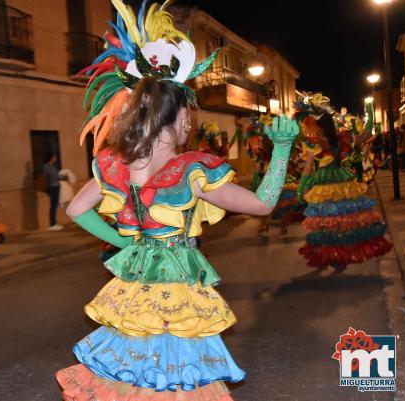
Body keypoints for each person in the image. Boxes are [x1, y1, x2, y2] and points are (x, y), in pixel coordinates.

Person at [55, 2, 299, 399]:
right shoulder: (191, 170)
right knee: (176, 378)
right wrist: (283, 149)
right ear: (179, 115)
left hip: (133, 288)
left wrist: (124, 243)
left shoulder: (114, 164)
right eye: (190, 115)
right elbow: (263, 204)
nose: (192, 123)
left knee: (131, 375)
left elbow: (75, 209)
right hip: (177, 290)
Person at [295, 94, 392, 272]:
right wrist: (370, 115)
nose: (307, 129)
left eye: (309, 125)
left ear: (316, 125)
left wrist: (301, 188)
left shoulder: (315, 143)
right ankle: (340, 255)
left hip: (324, 187)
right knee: (341, 223)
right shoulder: (342, 139)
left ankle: (333, 255)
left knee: (327, 224)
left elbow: (307, 169)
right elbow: (366, 134)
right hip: (342, 183)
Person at [42, 153, 66, 231]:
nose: (55, 159)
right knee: (53, 206)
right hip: (53, 187)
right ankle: (52, 224)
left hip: (54, 187)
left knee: (54, 206)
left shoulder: (50, 166)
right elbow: (55, 176)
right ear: (51, 158)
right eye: (54, 157)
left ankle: (54, 223)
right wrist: (64, 177)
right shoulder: (48, 166)